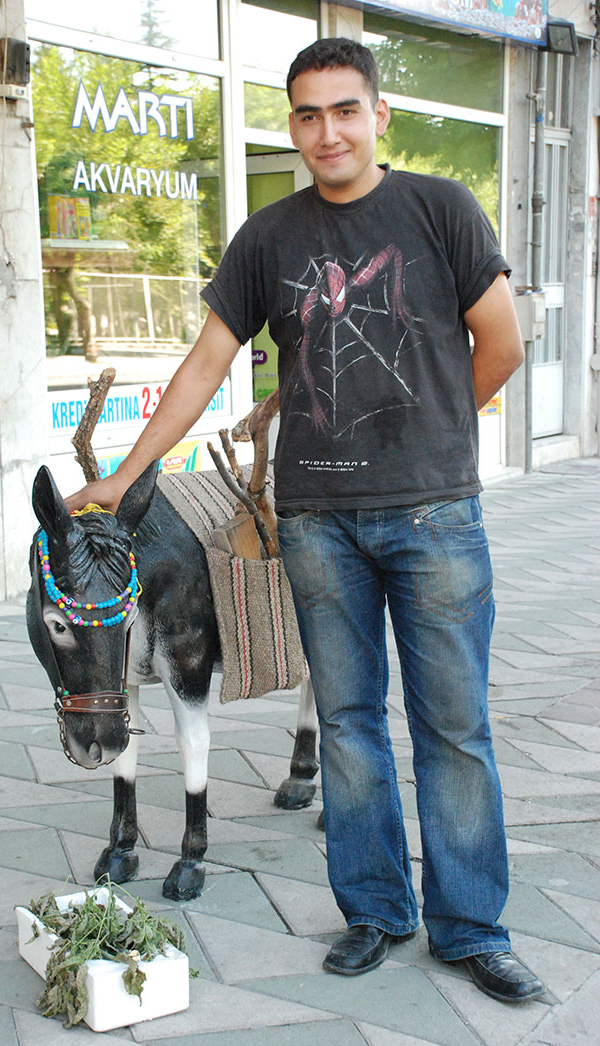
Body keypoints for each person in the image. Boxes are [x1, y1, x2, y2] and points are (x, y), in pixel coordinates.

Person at [66, 37, 544, 1003]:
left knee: (454, 727)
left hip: (435, 517)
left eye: (344, 110)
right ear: (292, 125)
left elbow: (500, 343)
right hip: (318, 521)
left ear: (378, 118)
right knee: (351, 723)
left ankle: (470, 926)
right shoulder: (269, 237)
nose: (327, 131)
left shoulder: (439, 209)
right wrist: (124, 477)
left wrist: (434, 441)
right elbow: (206, 366)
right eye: (307, 114)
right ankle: (375, 909)